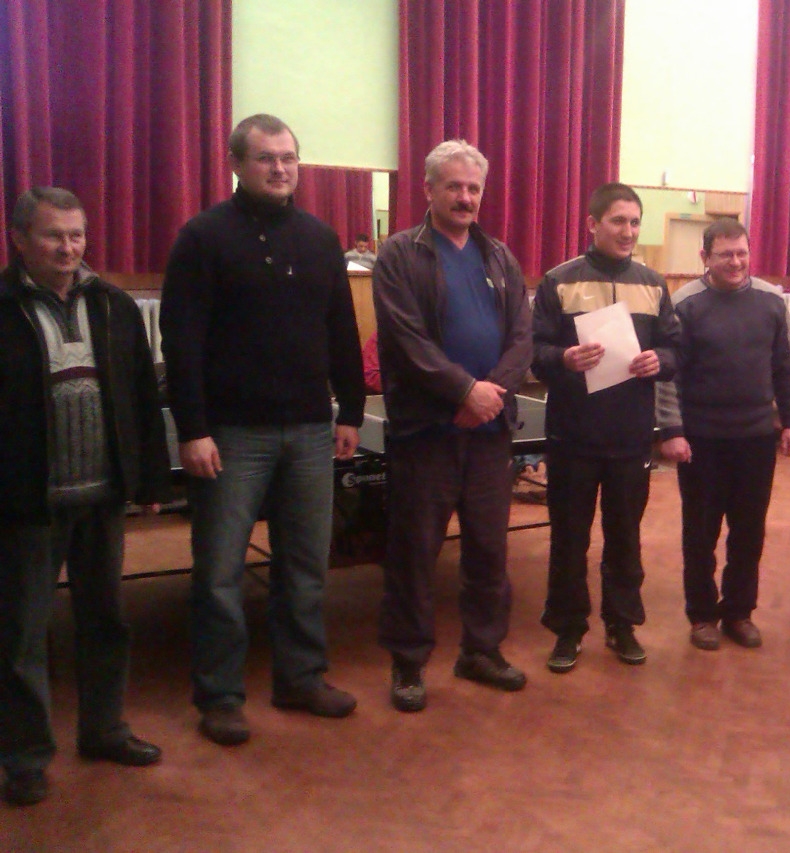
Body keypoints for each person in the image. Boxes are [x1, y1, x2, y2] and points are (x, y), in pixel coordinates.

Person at [161, 114, 366, 746]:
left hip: (310, 431)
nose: (280, 168)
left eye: (288, 157)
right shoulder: (203, 237)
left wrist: (352, 412)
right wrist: (193, 428)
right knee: (220, 574)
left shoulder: (320, 239)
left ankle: (300, 678)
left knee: (305, 566)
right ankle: (220, 696)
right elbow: (181, 341)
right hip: (231, 436)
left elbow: (341, 330)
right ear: (235, 165)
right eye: (266, 158)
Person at [1, 188, 170, 806]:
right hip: (26, 504)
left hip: (102, 498)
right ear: (19, 239)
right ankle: (25, 757)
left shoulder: (113, 305)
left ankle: (104, 731)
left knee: (106, 622)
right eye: (54, 235)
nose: (68, 247)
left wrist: (150, 480)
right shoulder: (3, 308)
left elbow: (143, 397)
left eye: (76, 235)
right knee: (20, 636)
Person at [372, 139, 532, 712]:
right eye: (454, 187)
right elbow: (405, 339)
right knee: (414, 554)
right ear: (428, 189)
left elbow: (522, 337)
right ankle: (408, 663)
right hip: (427, 433)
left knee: (489, 550)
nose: (465, 197)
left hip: (489, 434)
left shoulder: (500, 256)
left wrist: (491, 395)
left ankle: (481, 652)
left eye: (473, 189)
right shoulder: (398, 255)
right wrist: (465, 391)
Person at [532, 182, 678, 673]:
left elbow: (676, 349)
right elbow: (534, 351)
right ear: (593, 224)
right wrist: (564, 359)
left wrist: (661, 360)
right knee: (569, 540)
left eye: (635, 222)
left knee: (625, 538)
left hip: (630, 439)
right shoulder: (558, 281)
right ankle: (568, 629)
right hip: (572, 438)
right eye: (618, 221)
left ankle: (622, 625)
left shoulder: (654, 284)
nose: (628, 231)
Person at [657, 220, 790, 650]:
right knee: (700, 534)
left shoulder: (771, 301)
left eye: (742, 253)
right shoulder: (685, 305)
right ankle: (702, 615)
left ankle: (739, 612)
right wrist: (672, 430)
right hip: (701, 441)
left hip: (756, 439)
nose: (736, 262)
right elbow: (669, 376)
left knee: (749, 533)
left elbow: (787, 366)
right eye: (725, 255)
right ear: (705, 258)